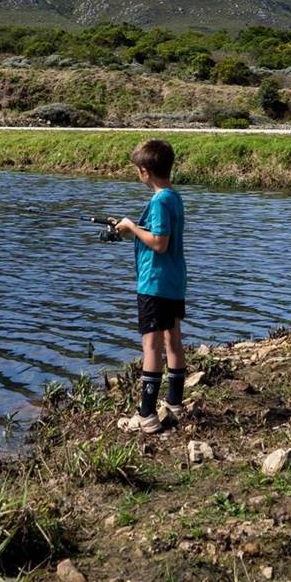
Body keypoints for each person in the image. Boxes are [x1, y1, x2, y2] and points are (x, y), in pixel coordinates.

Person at [112, 139, 187, 433]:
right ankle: (175, 404)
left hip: (154, 283)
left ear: (144, 171)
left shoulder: (158, 202)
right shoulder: (173, 197)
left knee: (151, 346)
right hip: (174, 281)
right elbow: (158, 236)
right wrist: (133, 231)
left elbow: (159, 242)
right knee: (173, 340)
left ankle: (146, 415)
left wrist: (130, 227)